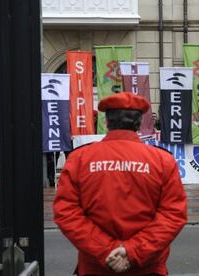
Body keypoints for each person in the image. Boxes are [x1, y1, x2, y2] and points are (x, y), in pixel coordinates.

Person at [53, 92, 188, 276]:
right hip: (147, 267)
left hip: (96, 267)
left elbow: (65, 212)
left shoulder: (80, 158)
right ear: (139, 123)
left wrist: (106, 249)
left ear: (106, 122)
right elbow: (173, 215)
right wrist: (131, 250)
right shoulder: (162, 160)